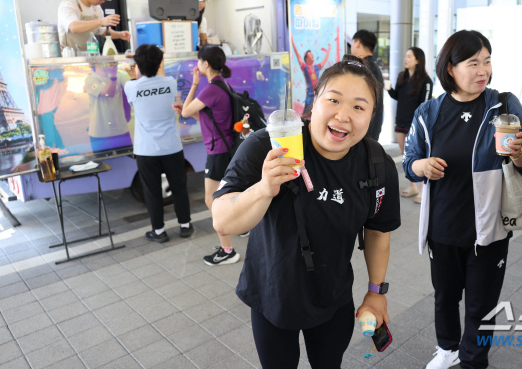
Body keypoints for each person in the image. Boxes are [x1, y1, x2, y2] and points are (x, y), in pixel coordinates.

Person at [210, 55, 401, 368]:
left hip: (334, 297)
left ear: (371, 116)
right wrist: (263, 188)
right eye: (334, 100)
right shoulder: (268, 145)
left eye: (358, 106)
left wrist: (376, 291)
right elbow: (222, 219)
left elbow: (378, 231)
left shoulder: (376, 163)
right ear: (315, 102)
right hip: (273, 295)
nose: (343, 116)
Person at [403, 30, 522, 369]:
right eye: (473, 62)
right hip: (443, 226)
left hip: (490, 225)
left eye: (487, 61)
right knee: (446, 297)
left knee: (482, 302)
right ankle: (448, 348)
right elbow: (409, 163)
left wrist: (519, 153)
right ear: (450, 68)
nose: (483, 70)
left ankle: (474, 360)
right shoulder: (428, 112)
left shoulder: (503, 104)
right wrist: (422, 166)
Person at [174, 45, 240, 265]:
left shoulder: (210, 89)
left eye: (198, 60)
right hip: (225, 149)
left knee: (213, 200)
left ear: (206, 64)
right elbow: (205, 119)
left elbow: (185, 112)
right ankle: (238, 229)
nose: (197, 65)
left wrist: (193, 84)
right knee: (226, 197)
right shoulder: (223, 85)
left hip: (218, 152)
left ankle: (227, 249)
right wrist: (188, 109)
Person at [123, 45, 192, 243]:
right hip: (172, 146)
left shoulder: (132, 86)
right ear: (161, 62)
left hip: (147, 150)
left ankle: (159, 232)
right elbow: (159, 77)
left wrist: (131, 72)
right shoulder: (170, 83)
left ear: (137, 64)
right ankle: (185, 226)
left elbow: (136, 88)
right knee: (179, 187)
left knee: (152, 191)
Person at [387, 46, 433, 202]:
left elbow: (425, 105)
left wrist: (421, 125)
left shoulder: (426, 81)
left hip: (416, 124)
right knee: (405, 154)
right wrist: (389, 89)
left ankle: (422, 189)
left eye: (409, 56)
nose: (405, 59)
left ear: (417, 60)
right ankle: (413, 186)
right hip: (400, 121)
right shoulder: (402, 77)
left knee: (418, 155)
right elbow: (397, 96)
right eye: (405, 56)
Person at [57, 0, 130, 52]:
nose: (103, 1)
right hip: (69, 55)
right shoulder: (69, 4)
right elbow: (73, 27)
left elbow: (103, 31)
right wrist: (101, 21)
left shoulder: (97, 8)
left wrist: (120, 34)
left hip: (87, 55)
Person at [291, 27, 340, 115]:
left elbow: (325, 60)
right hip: (310, 94)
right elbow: (298, 55)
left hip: (318, 93)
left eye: (312, 54)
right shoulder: (304, 67)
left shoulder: (316, 67)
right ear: (306, 59)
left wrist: (329, 49)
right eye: (310, 55)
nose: (312, 55)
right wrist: (292, 41)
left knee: (318, 113)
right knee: (306, 115)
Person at [83, 64, 131, 153]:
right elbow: (109, 93)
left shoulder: (121, 75)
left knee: (129, 162)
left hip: (120, 130)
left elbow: (133, 90)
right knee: (104, 164)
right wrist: (113, 77)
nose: (106, 63)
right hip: (100, 132)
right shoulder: (90, 79)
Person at [351, 30, 383, 140]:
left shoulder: (363, 69)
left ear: (358, 43)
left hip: (365, 130)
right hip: (372, 126)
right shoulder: (374, 67)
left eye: (352, 42)